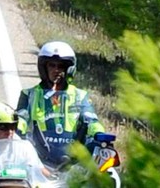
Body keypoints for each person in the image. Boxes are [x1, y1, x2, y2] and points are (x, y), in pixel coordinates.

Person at [14, 42, 104, 171]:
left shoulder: (79, 95)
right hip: (36, 162)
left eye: (61, 66)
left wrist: (100, 134)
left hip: (74, 163)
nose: (56, 70)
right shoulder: (29, 94)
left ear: (69, 69)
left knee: (109, 173)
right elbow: (21, 118)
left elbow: (92, 120)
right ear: (43, 68)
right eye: (52, 65)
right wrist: (15, 130)